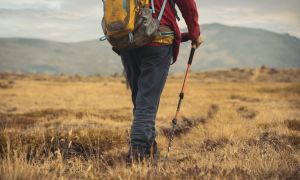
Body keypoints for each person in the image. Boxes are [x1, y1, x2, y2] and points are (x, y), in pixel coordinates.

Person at [120, 0, 203, 161]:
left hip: (127, 41)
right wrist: (194, 32)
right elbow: (187, 3)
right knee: (147, 102)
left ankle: (149, 150)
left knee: (141, 101)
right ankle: (137, 154)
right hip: (158, 41)